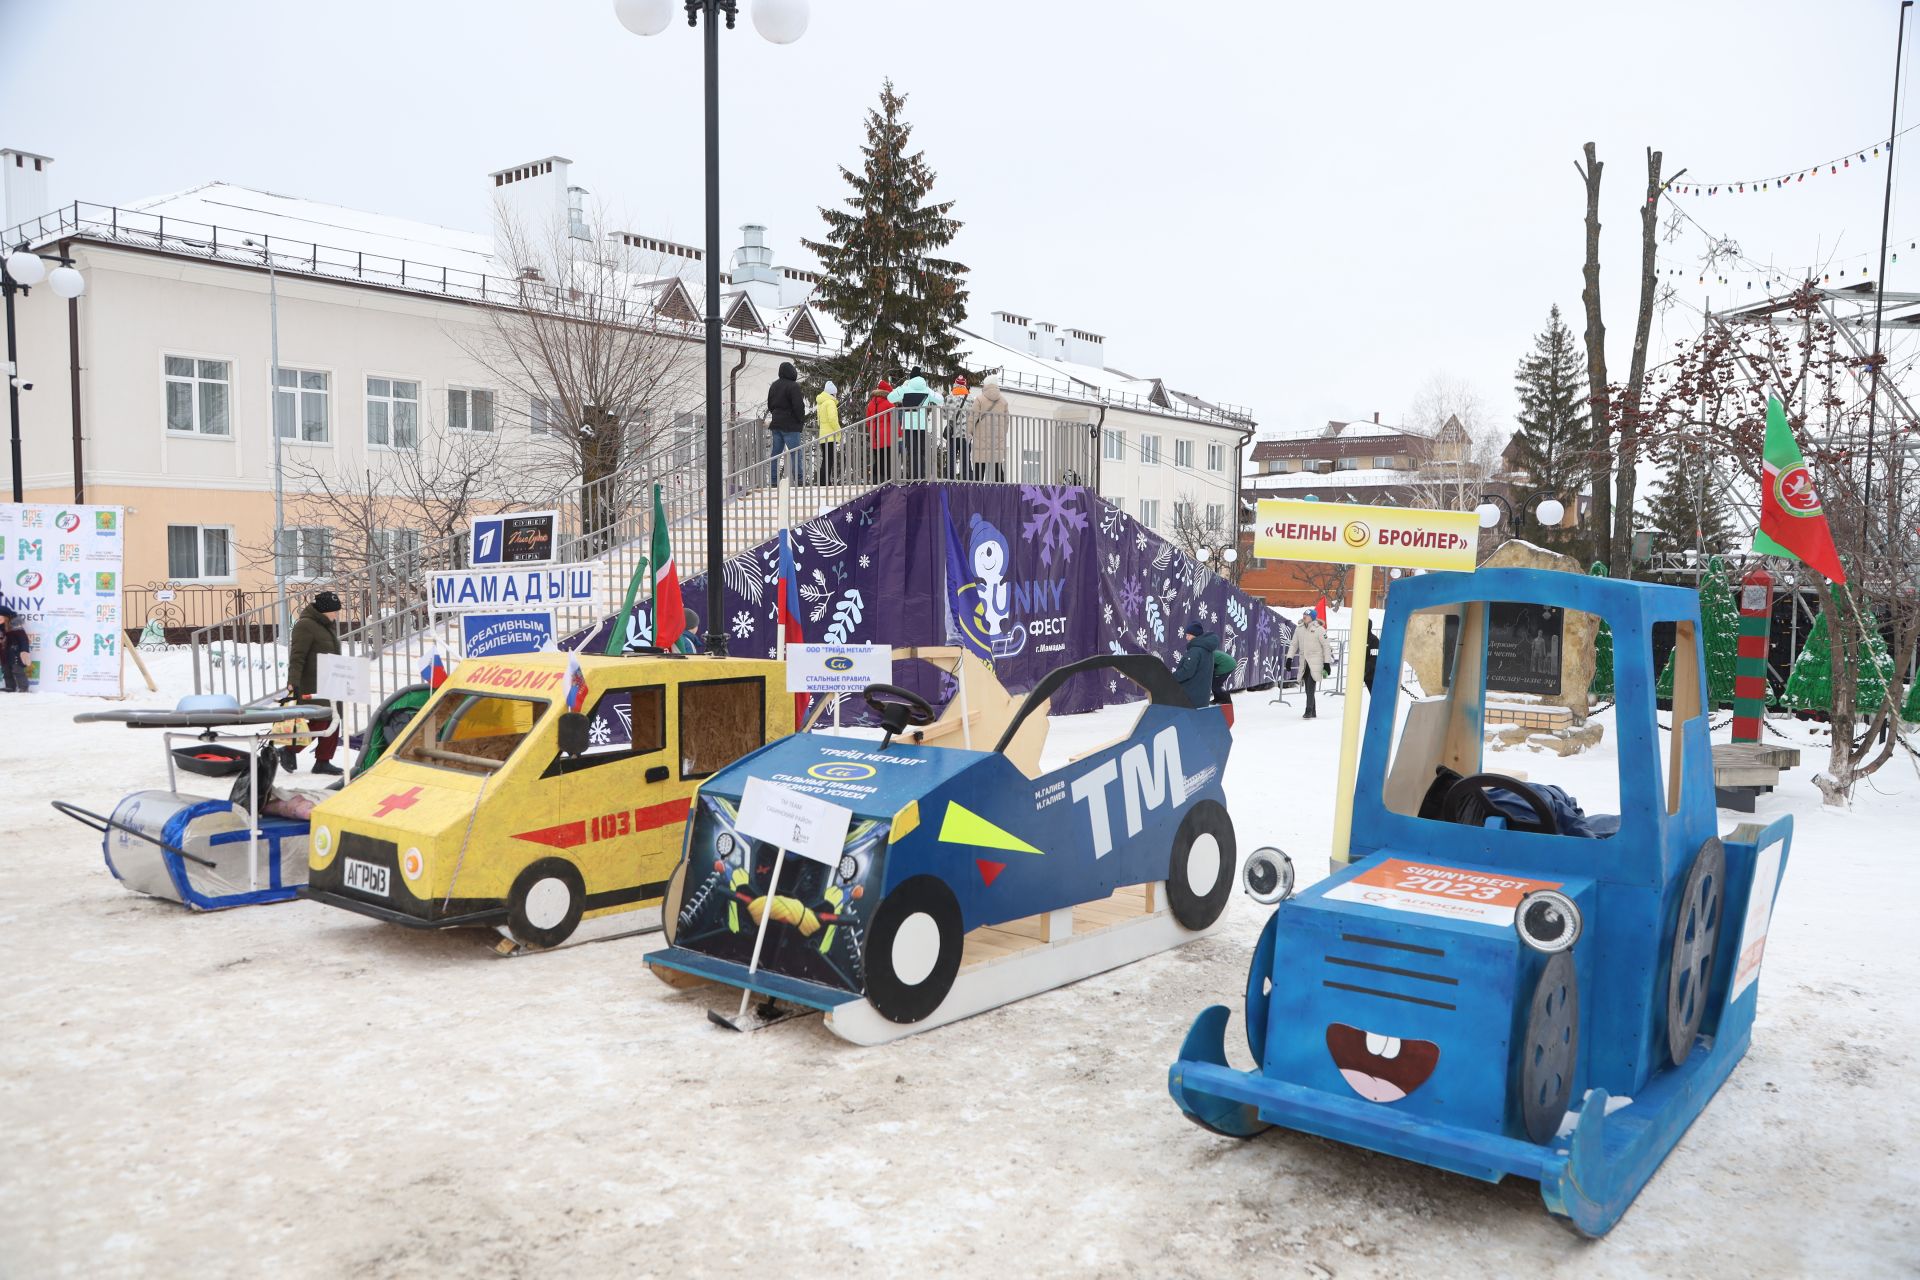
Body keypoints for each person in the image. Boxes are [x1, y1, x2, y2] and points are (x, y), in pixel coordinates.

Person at [286, 590, 345, 775]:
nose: (336, 615)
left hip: (331, 681)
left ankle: (323, 761)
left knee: (334, 720)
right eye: (334, 611)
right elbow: (297, 656)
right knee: (321, 722)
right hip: (313, 682)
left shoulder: (325, 626)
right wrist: (292, 682)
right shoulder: (305, 626)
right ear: (324, 610)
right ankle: (289, 750)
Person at [888, 367, 944, 480]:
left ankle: (914, 477)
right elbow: (940, 399)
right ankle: (921, 476)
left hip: (908, 426)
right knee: (921, 451)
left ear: (910, 377)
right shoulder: (926, 390)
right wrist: (929, 391)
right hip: (922, 426)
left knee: (912, 451)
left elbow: (890, 398)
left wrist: (902, 387)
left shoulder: (906, 389)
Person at [766, 360, 808, 486]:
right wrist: (800, 420)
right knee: (795, 453)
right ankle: (799, 480)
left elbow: (770, 405)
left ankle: (773, 481)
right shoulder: (793, 386)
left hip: (776, 423)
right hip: (790, 425)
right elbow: (798, 406)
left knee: (775, 454)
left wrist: (777, 415)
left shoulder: (774, 385)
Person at [1286, 609, 1332, 719]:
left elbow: (1326, 646)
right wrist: (1289, 658)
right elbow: (1293, 645)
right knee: (1308, 688)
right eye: (1303, 614)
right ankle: (1314, 711)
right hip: (1304, 662)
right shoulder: (1299, 629)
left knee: (1311, 686)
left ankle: (1308, 710)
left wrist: (1327, 663)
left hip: (1315, 661)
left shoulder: (1319, 629)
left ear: (1312, 617)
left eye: (1306, 615)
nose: (1304, 616)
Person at [969, 373, 1011, 481]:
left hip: (980, 437)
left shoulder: (979, 399)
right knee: (997, 466)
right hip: (997, 439)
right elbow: (1007, 421)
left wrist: (969, 432)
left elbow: (973, 417)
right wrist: (1003, 433)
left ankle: (977, 491)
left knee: (979, 465)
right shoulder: (1003, 401)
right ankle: (1001, 490)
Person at [1170, 621, 1220, 708]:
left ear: (1195, 635)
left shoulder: (1195, 650)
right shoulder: (1206, 649)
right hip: (1201, 695)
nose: (1187, 637)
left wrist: (1171, 678)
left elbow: (1187, 671)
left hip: (1191, 696)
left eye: (1189, 635)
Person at [865, 377, 896, 482]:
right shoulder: (888, 403)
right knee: (887, 460)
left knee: (878, 459)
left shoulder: (871, 404)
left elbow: (868, 421)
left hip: (875, 435)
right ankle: (886, 481)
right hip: (886, 436)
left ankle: (876, 480)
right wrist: (898, 434)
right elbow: (894, 420)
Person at [943, 373, 972, 480]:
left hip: (952, 434)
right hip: (966, 434)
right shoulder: (971, 399)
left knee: (951, 458)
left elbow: (944, 416)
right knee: (966, 459)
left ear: (955, 385)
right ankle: (966, 481)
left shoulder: (949, 398)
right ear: (965, 385)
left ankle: (950, 480)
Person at [814, 380, 842, 485]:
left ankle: (824, 481)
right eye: (835, 393)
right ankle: (825, 482)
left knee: (826, 459)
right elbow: (833, 419)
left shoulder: (822, 404)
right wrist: (839, 430)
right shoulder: (830, 403)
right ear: (833, 393)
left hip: (823, 435)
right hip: (830, 436)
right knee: (829, 460)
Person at [0, 605, 30, 692]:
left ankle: (23, 687)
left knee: (18, 670)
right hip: (4, 653)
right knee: (6, 670)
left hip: (15, 652)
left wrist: (25, 651)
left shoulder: (16, 627)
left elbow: (23, 639)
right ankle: (10, 686)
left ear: (6, 617)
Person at [1363, 618, 1379, 693]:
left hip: (1371, 675)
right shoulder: (1358, 638)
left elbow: (1374, 658)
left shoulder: (1374, 640)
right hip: (1357, 673)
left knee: (1374, 694)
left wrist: (1365, 669)